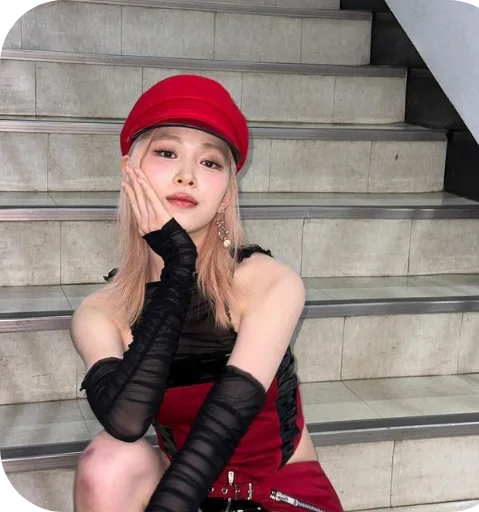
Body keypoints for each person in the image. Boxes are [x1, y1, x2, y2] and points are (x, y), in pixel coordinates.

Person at [70, 74, 344, 512]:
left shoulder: (270, 282)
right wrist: (178, 269)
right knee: (107, 462)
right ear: (129, 171)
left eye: (210, 162)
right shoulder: (100, 310)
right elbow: (125, 421)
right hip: (182, 490)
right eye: (166, 152)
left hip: (275, 494)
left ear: (226, 193)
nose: (187, 176)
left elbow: (217, 434)